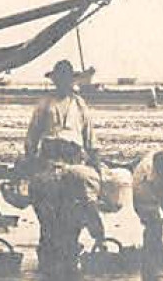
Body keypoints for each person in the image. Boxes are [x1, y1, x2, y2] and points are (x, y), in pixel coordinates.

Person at [23, 59, 104, 270]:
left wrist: (97, 164)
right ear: (55, 80)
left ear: (72, 81)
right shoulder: (44, 104)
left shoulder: (80, 104)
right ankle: (48, 257)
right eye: (59, 79)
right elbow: (32, 136)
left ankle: (80, 238)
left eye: (67, 79)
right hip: (49, 160)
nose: (63, 83)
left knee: (80, 205)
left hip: (74, 159)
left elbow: (90, 137)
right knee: (45, 211)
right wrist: (30, 161)